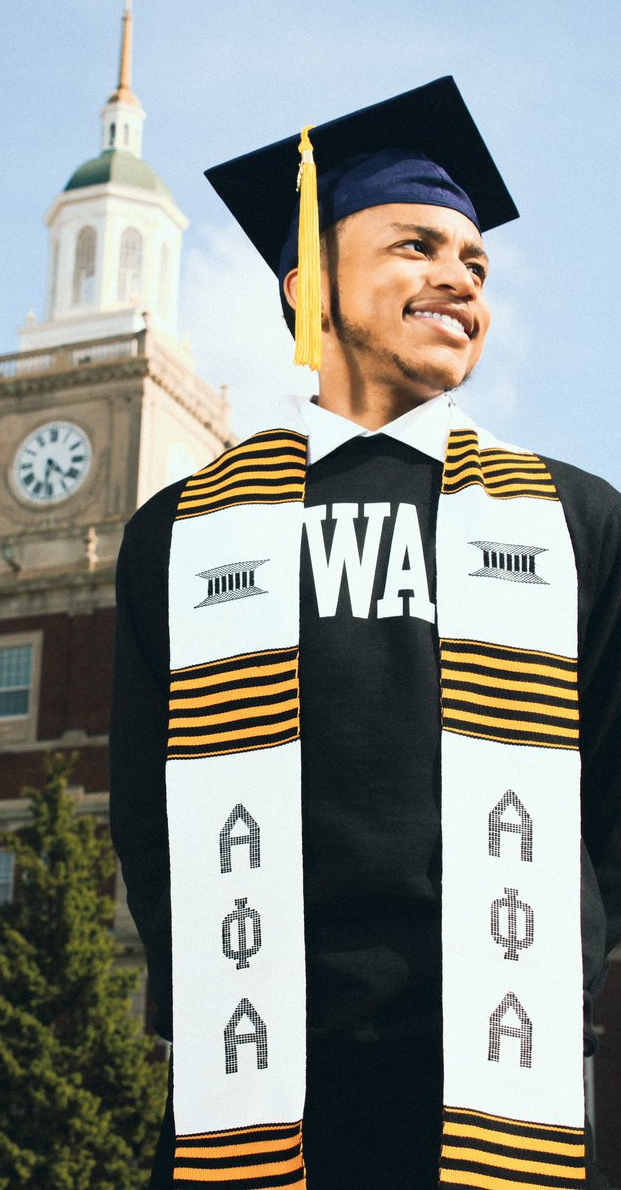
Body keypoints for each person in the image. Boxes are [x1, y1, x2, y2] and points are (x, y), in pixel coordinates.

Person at [110, 77, 620, 1190]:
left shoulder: (574, 520)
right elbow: (147, 806)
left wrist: (568, 962)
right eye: (414, 246)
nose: (459, 278)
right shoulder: (185, 534)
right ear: (310, 287)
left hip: (502, 1057)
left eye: (475, 263)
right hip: (259, 1059)